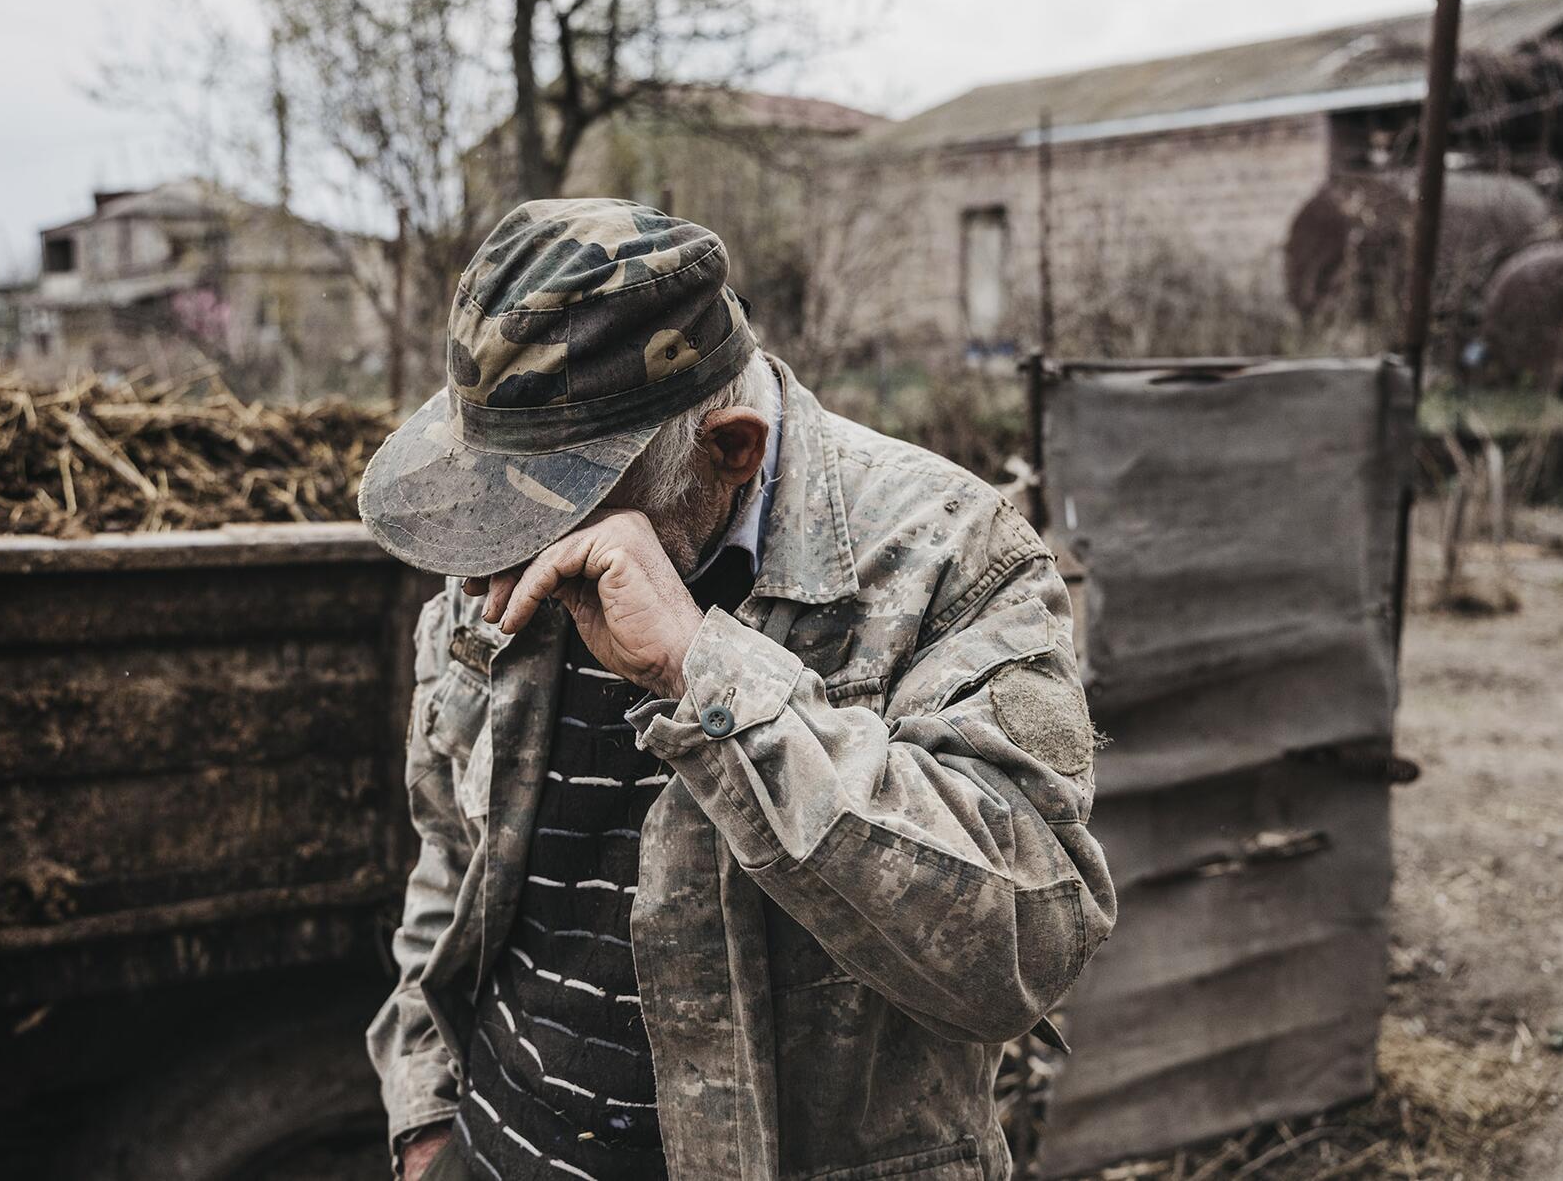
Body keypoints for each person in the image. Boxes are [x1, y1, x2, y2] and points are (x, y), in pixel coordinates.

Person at [359, 198, 1114, 1181]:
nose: (496, 563)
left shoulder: (951, 556)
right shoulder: (509, 511)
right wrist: (426, 1117)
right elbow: (450, 852)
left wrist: (701, 671)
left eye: (554, 514)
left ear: (731, 451)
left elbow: (1022, 951)